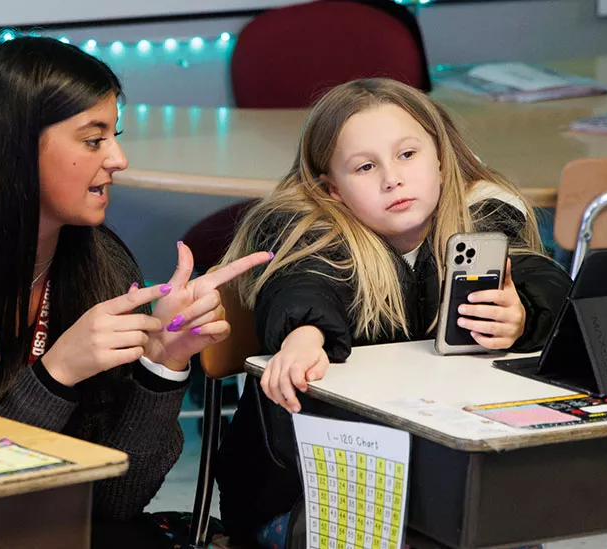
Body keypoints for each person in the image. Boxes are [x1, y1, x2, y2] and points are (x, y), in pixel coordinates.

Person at [0, 37, 271, 539]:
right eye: (93, 139)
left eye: (114, 135)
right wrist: (57, 373)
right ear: (15, 146)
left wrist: (162, 365)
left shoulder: (101, 263)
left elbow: (114, 502)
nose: (119, 159)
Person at [215, 78, 571, 548]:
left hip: (439, 480)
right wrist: (304, 334)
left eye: (408, 155)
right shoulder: (304, 230)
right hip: (308, 498)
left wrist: (524, 315)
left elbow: (543, 281)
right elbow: (304, 282)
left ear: (441, 159)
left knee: (505, 527)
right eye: (365, 167)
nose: (392, 179)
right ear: (333, 189)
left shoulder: (484, 217)